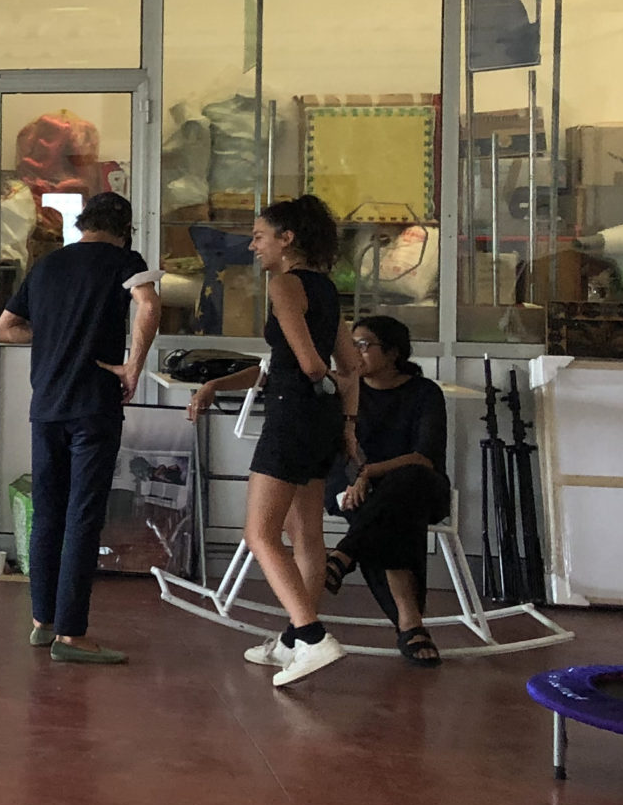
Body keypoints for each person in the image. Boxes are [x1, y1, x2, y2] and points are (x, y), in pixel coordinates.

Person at [185, 195, 358, 688]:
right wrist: (347, 423)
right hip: (322, 421)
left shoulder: (284, 284)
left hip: (291, 417)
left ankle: (313, 637)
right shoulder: (326, 290)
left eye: (260, 236)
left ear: (287, 239)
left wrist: (317, 378)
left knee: (260, 534)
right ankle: (292, 639)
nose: (252, 245)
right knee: (306, 535)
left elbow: (309, 365)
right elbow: (352, 366)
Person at [0, 190, 162, 665]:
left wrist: (56, 334)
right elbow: (149, 306)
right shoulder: (123, 260)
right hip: (92, 407)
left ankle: (42, 621)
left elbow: (4, 329)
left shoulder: (47, 265)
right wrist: (133, 367)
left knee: (48, 513)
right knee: (83, 516)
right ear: (125, 230)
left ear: (82, 223)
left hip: (46, 407)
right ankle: (72, 635)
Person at [323, 315, 451, 666]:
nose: (355, 352)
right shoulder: (346, 390)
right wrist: (360, 477)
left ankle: (345, 553)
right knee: (388, 517)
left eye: (364, 345)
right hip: (355, 489)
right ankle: (410, 623)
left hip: (419, 488)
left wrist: (369, 474)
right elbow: (338, 451)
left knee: (405, 485)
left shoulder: (424, 393)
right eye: (351, 345)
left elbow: (424, 457)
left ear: (393, 352)